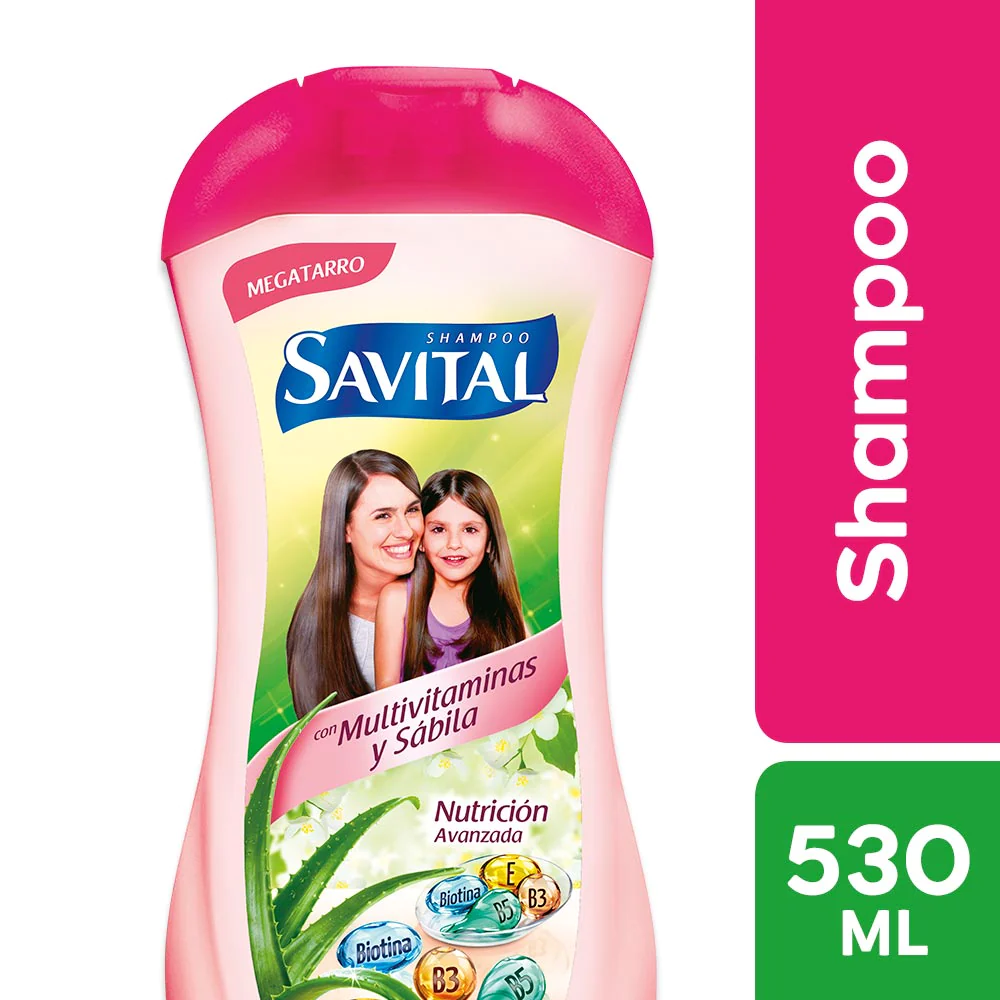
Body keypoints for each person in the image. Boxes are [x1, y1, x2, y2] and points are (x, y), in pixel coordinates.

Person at [287, 449, 423, 715]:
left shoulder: (453, 591)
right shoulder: (316, 626)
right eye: (383, 516)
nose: (406, 531)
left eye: (412, 510)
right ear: (345, 528)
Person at [374, 469, 526, 688]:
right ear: (421, 539)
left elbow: (530, 679)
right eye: (438, 529)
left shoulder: (503, 605)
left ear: (490, 541)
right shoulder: (397, 599)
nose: (454, 543)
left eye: (470, 530)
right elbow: (386, 690)